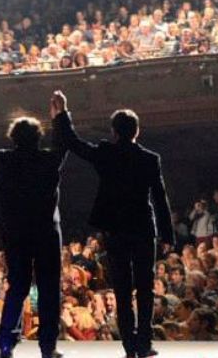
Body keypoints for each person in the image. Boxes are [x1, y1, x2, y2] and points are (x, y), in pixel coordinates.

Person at [51, 92, 174, 358]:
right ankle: (144, 344)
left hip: (115, 228)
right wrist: (167, 234)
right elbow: (160, 197)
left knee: (122, 287)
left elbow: (74, 143)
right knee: (145, 288)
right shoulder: (149, 158)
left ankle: (129, 345)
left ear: (113, 132)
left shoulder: (107, 153)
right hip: (143, 228)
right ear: (137, 131)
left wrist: (62, 114)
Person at [0, 110, 67, 358]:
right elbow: (64, 143)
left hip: (17, 233)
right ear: (38, 137)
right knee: (49, 289)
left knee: (17, 287)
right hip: (46, 232)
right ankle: (48, 347)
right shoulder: (49, 160)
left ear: (13, 138)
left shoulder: (5, 160)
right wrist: (61, 115)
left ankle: (6, 343)